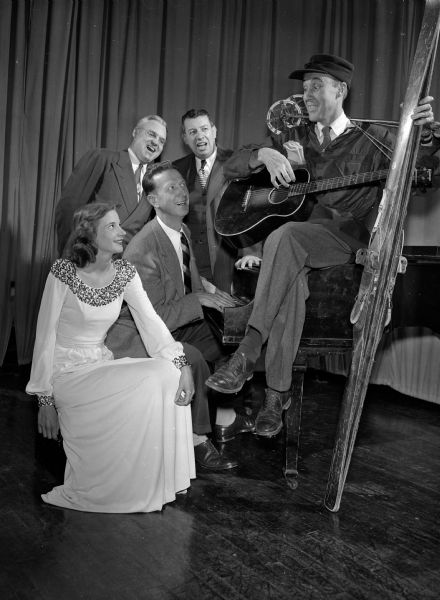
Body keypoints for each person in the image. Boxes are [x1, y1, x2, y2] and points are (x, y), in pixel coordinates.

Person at [206, 53, 436, 438]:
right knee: (290, 274)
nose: (306, 94)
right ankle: (277, 396)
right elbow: (229, 166)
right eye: (304, 87)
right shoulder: (294, 141)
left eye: (316, 86)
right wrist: (265, 154)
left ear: (340, 90)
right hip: (301, 249)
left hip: (349, 240)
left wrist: (425, 135)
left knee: (285, 237)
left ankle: (246, 353)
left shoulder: (374, 138)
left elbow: (422, 164)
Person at [26, 202, 195, 513]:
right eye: (112, 226)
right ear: (89, 234)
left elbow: (151, 322)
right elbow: (44, 337)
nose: (122, 232)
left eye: (120, 225)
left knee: (167, 373)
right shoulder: (63, 272)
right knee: (150, 377)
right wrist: (44, 400)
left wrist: (181, 364)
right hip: (66, 376)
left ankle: (162, 480)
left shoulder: (124, 273)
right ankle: (125, 488)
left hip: (98, 366)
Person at [105, 163, 256, 470]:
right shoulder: (143, 249)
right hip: (141, 335)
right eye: (170, 188)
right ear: (153, 200)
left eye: (182, 186)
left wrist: (212, 292)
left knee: (239, 337)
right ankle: (197, 441)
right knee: (195, 357)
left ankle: (224, 418)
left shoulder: (182, 231)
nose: (181, 193)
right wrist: (199, 298)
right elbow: (155, 318)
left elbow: (190, 279)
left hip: (177, 323)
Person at [173, 109, 260, 293]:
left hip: (229, 263)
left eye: (204, 129)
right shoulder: (176, 169)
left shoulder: (237, 162)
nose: (199, 136)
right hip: (191, 268)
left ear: (214, 131)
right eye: (192, 132)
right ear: (185, 138)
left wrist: (252, 252)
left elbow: (253, 211)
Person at [55, 115, 167, 256]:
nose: (156, 142)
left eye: (162, 141)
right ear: (135, 132)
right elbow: (68, 208)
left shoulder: (154, 182)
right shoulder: (102, 158)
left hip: (125, 268)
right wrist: (70, 256)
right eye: (151, 134)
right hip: (89, 261)